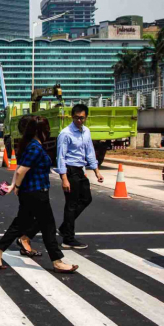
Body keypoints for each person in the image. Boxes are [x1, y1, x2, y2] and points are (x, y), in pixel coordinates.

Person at [0, 115, 78, 274]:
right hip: (36, 193)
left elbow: (20, 168)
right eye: (47, 129)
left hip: (31, 192)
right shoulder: (35, 148)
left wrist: (13, 186)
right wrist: (15, 186)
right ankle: (57, 262)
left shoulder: (31, 146)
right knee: (48, 227)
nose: (49, 132)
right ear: (40, 131)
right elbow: (22, 170)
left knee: (20, 224)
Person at [17, 104, 104, 252]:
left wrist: (96, 170)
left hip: (80, 170)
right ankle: (68, 238)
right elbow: (61, 157)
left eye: (82, 118)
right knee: (71, 204)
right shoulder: (65, 133)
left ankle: (64, 227)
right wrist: (64, 178)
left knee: (86, 199)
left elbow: (89, 152)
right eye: (76, 118)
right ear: (72, 117)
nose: (79, 121)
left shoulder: (86, 132)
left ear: (86, 117)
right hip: (70, 171)